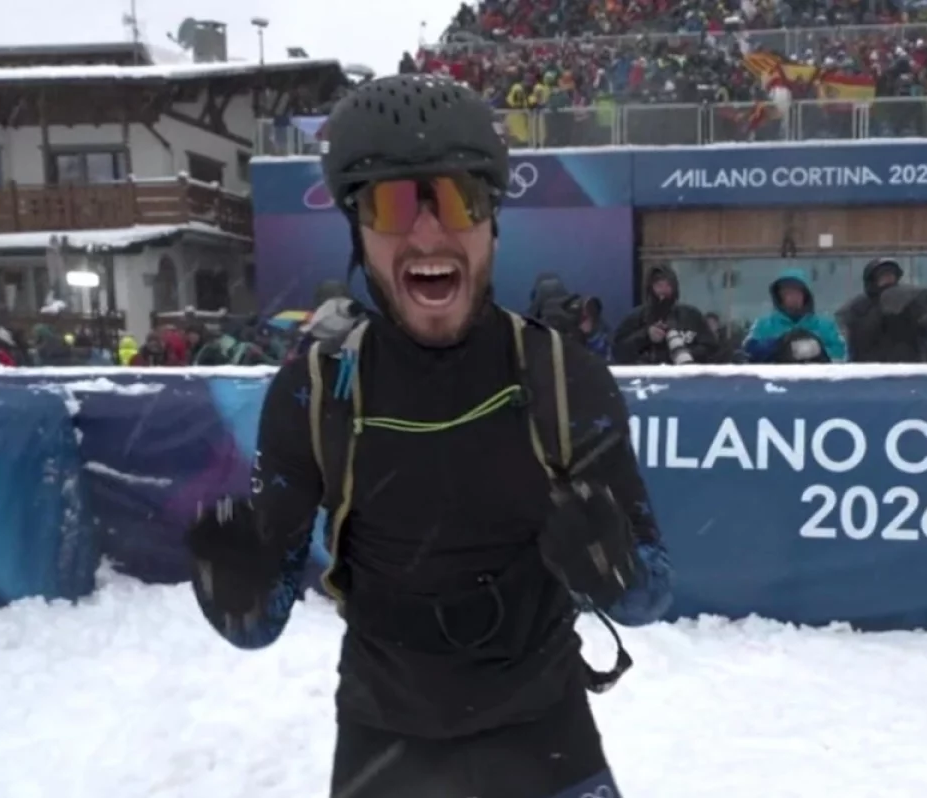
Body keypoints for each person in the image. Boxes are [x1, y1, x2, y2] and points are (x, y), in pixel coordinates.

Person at [187, 74, 673, 798]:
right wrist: (236, 590)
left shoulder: (564, 380)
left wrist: (616, 568)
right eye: (390, 204)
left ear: (491, 220)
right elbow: (260, 626)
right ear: (358, 232)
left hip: (544, 738)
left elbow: (650, 596)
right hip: (385, 746)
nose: (426, 233)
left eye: (456, 198)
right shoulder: (314, 393)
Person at [611, 265, 717, 365]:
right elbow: (618, 351)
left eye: (668, 286)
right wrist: (646, 336)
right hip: (646, 376)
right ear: (650, 289)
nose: (664, 291)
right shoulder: (635, 318)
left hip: (685, 375)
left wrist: (682, 353)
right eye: (659, 286)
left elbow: (712, 349)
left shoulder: (691, 316)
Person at [742, 269, 848, 364]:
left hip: (817, 378)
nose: (792, 297)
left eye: (797, 292)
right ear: (779, 296)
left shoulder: (826, 326)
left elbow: (842, 354)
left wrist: (816, 350)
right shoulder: (764, 325)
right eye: (787, 293)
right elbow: (748, 352)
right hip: (776, 379)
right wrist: (778, 345)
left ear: (806, 295)